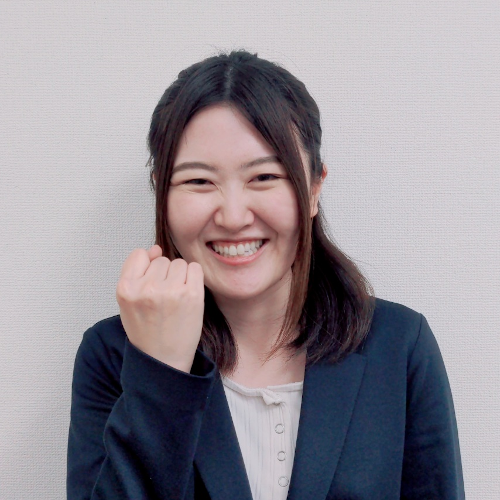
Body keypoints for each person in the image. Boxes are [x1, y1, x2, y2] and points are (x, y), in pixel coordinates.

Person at [67, 50, 465, 500]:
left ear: (313, 188)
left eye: (264, 177)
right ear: (162, 192)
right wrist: (161, 374)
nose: (233, 216)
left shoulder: (399, 345)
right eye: (199, 181)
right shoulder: (113, 355)